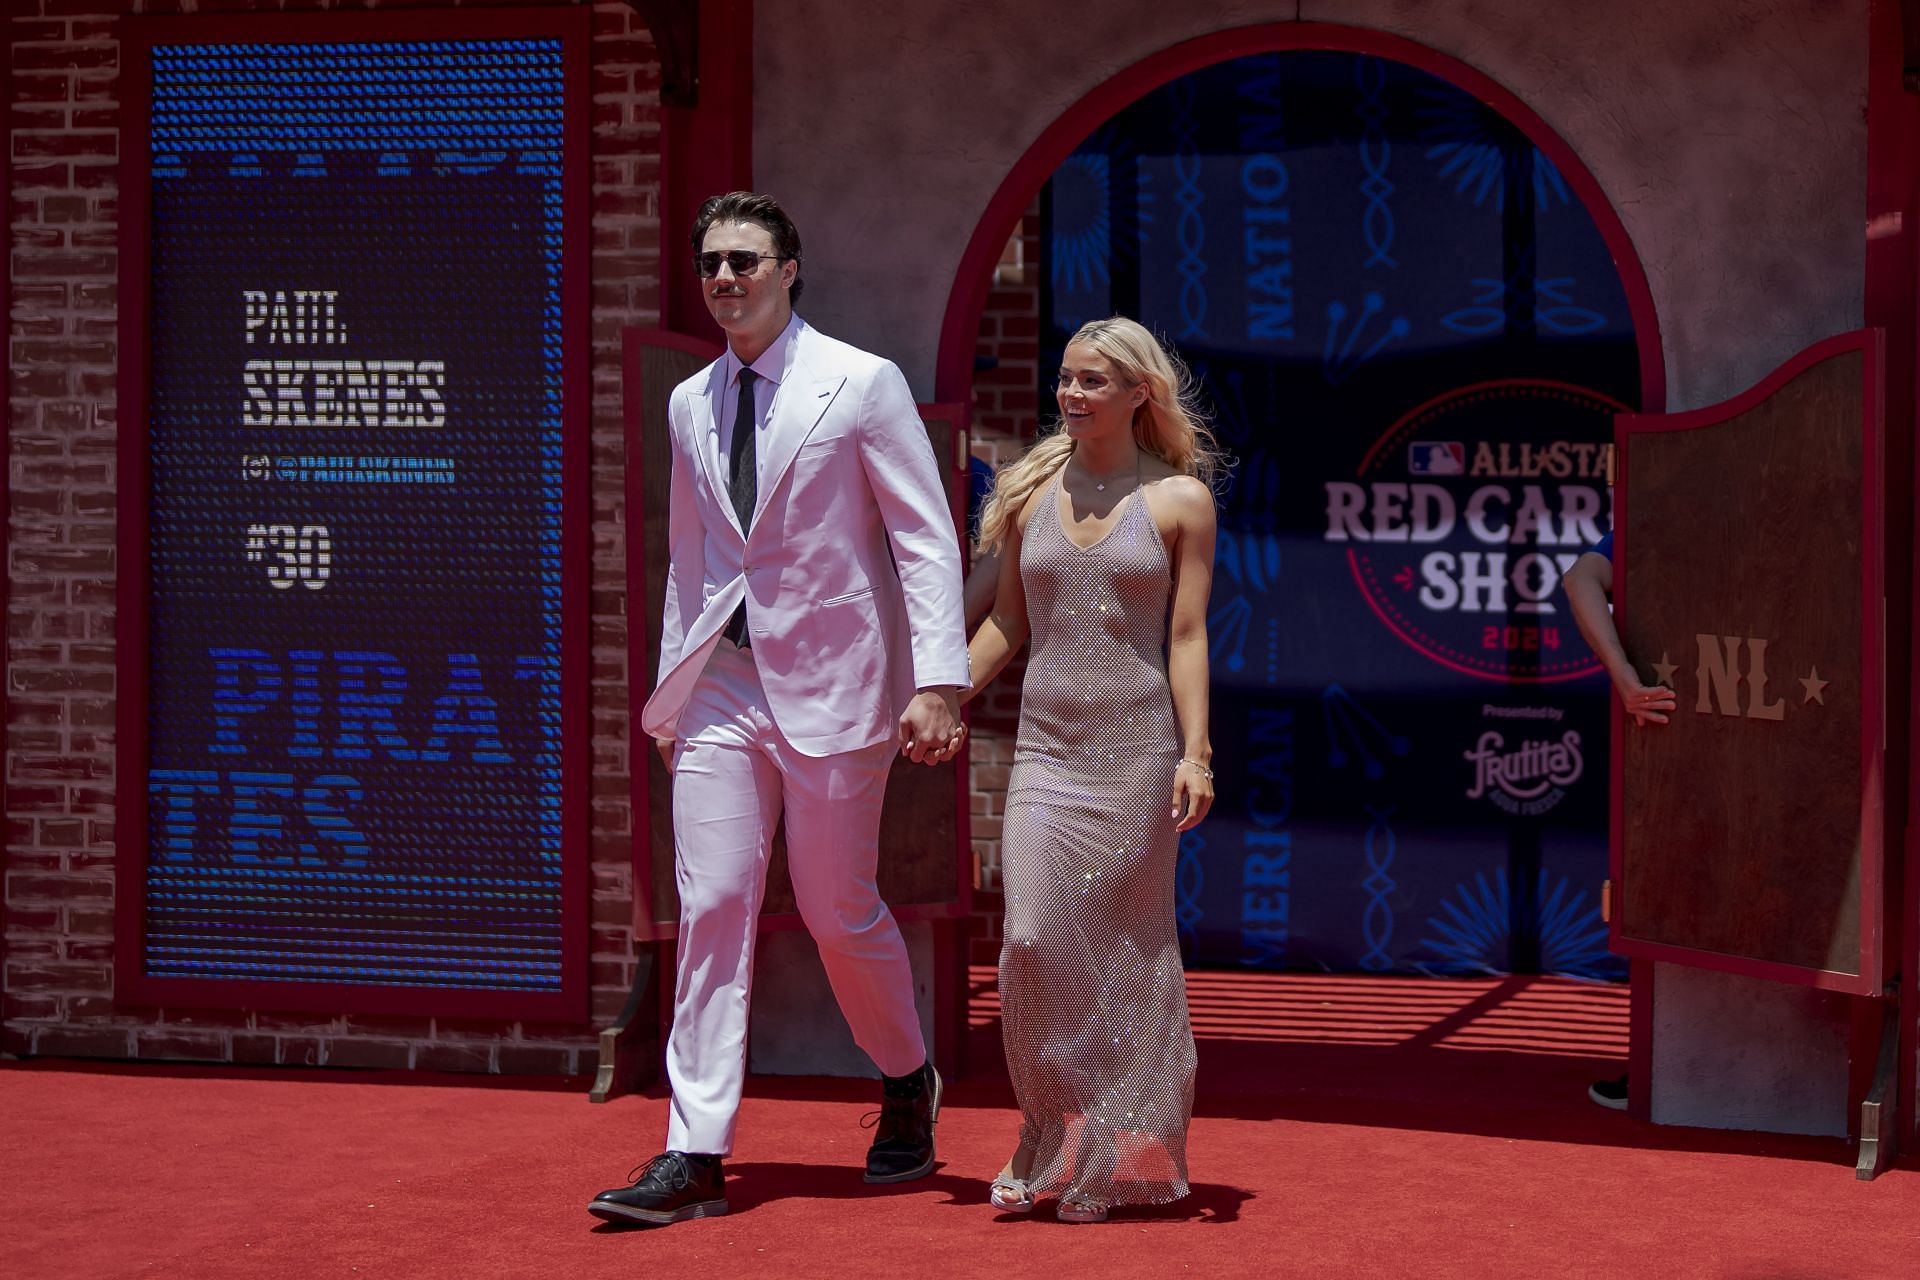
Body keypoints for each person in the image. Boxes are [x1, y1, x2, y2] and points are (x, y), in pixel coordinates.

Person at [590, 192, 970, 1226]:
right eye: (711, 261)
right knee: (711, 904)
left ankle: (904, 1079)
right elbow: (694, 557)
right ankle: (694, 1148)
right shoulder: (689, 402)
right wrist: (673, 689)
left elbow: (925, 539)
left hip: (840, 684)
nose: (724, 278)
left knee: (837, 904)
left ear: (789, 269)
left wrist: (936, 678)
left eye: (745, 260)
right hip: (722, 684)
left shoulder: (860, 382)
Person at [962, 317, 1221, 1222]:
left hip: (1139, 754)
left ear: (1138, 391)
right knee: (1029, 938)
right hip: (1045, 753)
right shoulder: (1030, 490)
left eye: (1092, 382)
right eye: (1065, 379)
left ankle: (1109, 1145)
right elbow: (1004, 624)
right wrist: (938, 695)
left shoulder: (1181, 500)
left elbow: (1185, 636)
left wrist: (1197, 754)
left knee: (1123, 953)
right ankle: (1044, 1124)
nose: (1070, 395)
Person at [1561, 528, 1676, 1110]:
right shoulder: (1667, 498)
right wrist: (1626, 676)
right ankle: (1666, 1066)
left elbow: (1581, 577)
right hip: (1679, 727)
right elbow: (1582, 578)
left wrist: (1625, 676)